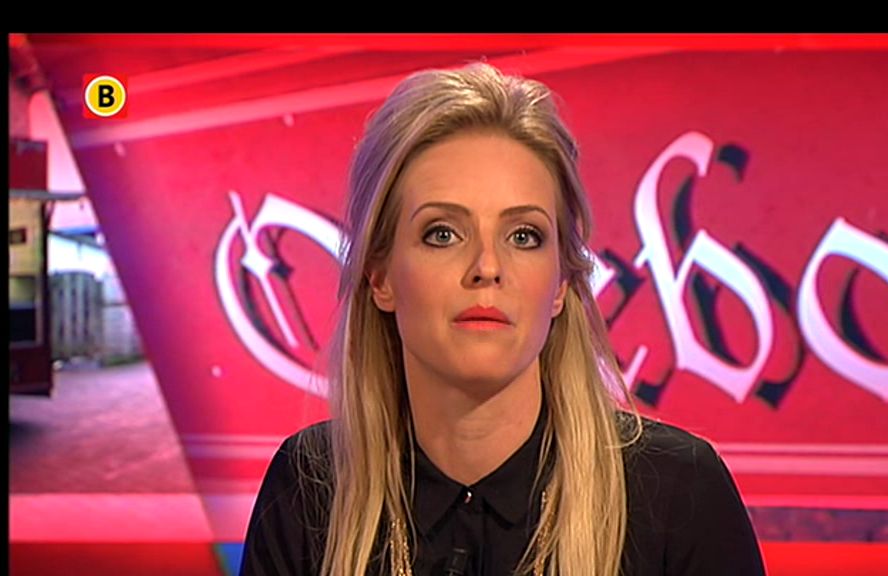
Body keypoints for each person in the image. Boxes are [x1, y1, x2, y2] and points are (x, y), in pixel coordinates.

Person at [240, 62, 766, 576]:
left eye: (523, 236)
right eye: (443, 233)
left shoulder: (678, 494)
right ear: (380, 277)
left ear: (562, 281)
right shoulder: (311, 487)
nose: (487, 267)